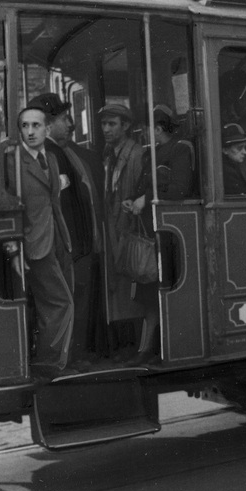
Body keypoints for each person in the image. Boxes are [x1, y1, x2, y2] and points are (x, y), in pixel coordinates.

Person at [27, 93, 103, 368]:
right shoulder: (49, 154)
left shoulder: (60, 152)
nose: (70, 124)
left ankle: (71, 357)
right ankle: (66, 361)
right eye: (63, 119)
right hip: (65, 247)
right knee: (67, 302)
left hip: (73, 246)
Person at [121, 104, 195, 365]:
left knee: (161, 293)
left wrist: (146, 198)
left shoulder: (180, 150)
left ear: (160, 128)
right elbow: (144, 186)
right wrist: (133, 199)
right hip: (150, 234)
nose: (144, 132)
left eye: (148, 128)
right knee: (150, 296)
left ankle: (161, 348)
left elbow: (179, 189)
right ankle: (147, 349)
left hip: (168, 234)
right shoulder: (150, 154)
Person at [11, 106, 74, 377]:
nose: (30, 131)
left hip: (57, 237)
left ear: (47, 129)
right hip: (34, 244)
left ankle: (56, 360)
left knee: (59, 301)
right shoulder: (14, 162)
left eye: (36, 125)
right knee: (61, 303)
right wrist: (16, 248)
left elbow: (52, 201)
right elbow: (13, 209)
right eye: (25, 126)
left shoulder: (50, 158)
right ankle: (50, 364)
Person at [100, 103, 145, 349]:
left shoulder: (136, 154)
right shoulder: (109, 153)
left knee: (128, 284)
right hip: (113, 225)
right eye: (104, 124)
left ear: (125, 126)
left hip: (127, 226)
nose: (106, 129)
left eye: (112, 124)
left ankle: (131, 344)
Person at [222, 122, 246, 194]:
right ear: (225, 150)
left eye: (245, 147)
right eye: (239, 148)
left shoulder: (233, 168)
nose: (245, 152)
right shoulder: (228, 173)